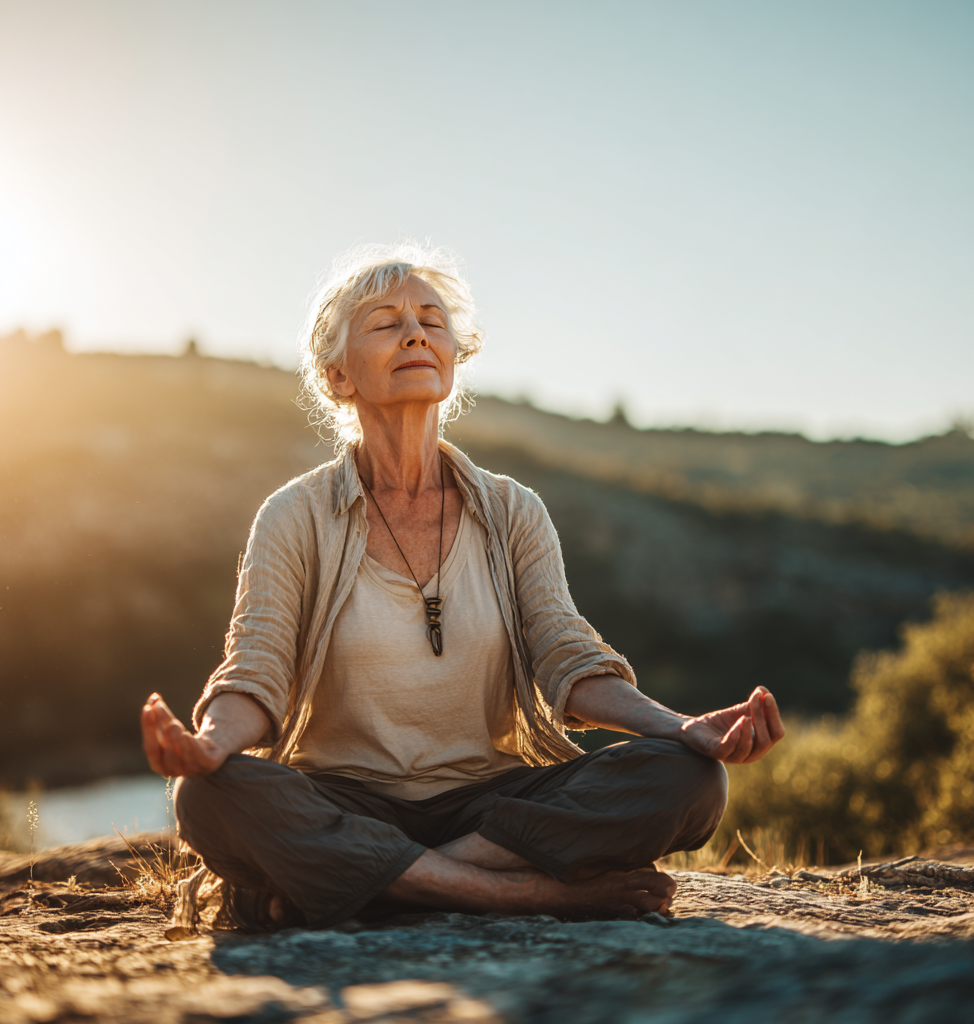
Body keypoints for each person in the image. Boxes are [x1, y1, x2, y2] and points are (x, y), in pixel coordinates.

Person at [141, 243, 784, 930]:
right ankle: (520, 893)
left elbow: (568, 662)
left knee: (687, 779)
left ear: (452, 357)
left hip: (491, 803)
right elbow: (256, 669)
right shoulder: (295, 515)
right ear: (336, 375)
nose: (416, 331)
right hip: (347, 797)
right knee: (206, 797)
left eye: (431, 319)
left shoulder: (513, 511)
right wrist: (210, 746)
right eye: (385, 322)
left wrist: (683, 728)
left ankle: (382, 881)